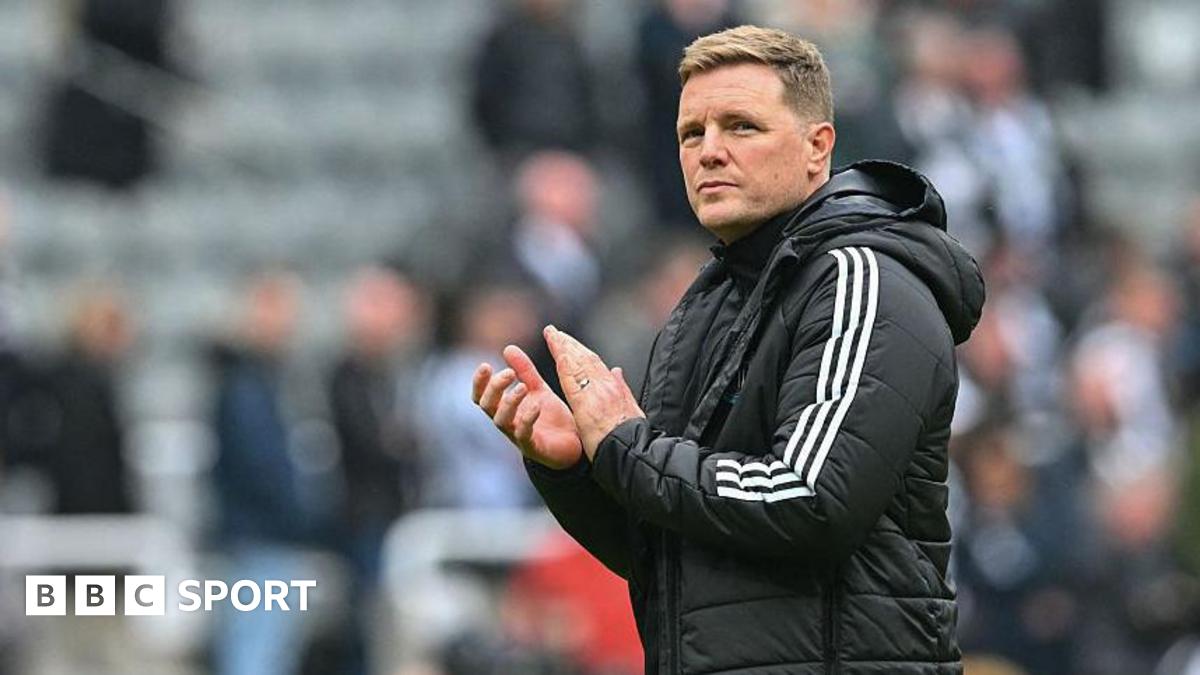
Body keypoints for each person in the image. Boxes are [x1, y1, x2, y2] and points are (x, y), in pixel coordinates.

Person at [472, 25, 984, 674]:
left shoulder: (861, 277)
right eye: (692, 133)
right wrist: (577, 467)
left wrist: (626, 445)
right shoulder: (705, 304)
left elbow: (809, 497)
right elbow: (673, 555)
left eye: (741, 126)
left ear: (817, 149)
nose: (709, 151)